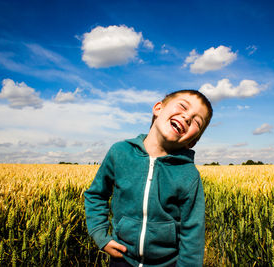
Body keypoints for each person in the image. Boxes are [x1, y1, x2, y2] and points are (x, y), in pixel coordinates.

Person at [84, 89, 213, 267]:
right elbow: (96, 195)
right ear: (158, 108)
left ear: (193, 141)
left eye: (196, 121)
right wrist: (100, 235)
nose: (187, 117)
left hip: (167, 264)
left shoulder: (188, 174)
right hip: (122, 259)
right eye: (183, 106)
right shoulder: (120, 152)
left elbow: (192, 231)